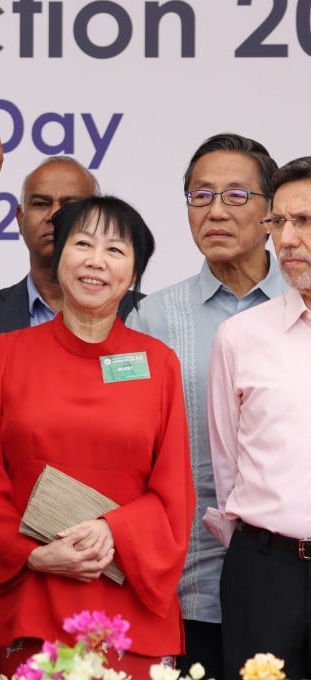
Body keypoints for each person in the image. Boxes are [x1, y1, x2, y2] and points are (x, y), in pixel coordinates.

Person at [0, 196, 194, 678]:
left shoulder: (158, 363)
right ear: (57, 255)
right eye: (82, 244)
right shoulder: (3, 356)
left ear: (133, 274)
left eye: (115, 250)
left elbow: (173, 491)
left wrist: (114, 530)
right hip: (28, 593)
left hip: (128, 595)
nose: (95, 261)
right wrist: (36, 555)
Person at [0, 156, 113, 626]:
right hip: (2, 579)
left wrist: (95, 543)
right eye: (40, 203)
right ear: (19, 218)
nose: (54, 215)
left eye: (71, 204)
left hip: (110, 572)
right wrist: (24, 548)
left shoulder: (141, 321)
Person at [126, 133, 282, 679]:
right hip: (188, 583)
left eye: (236, 195)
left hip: (291, 578)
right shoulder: (151, 319)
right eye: (200, 195)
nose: (215, 210)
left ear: (272, 213)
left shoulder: (302, 304)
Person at [207, 156, 311, 679]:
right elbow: (227, 465)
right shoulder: (241, 336)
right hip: (267, 571)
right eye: (279, 223)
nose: (287, 239)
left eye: (305, 221)